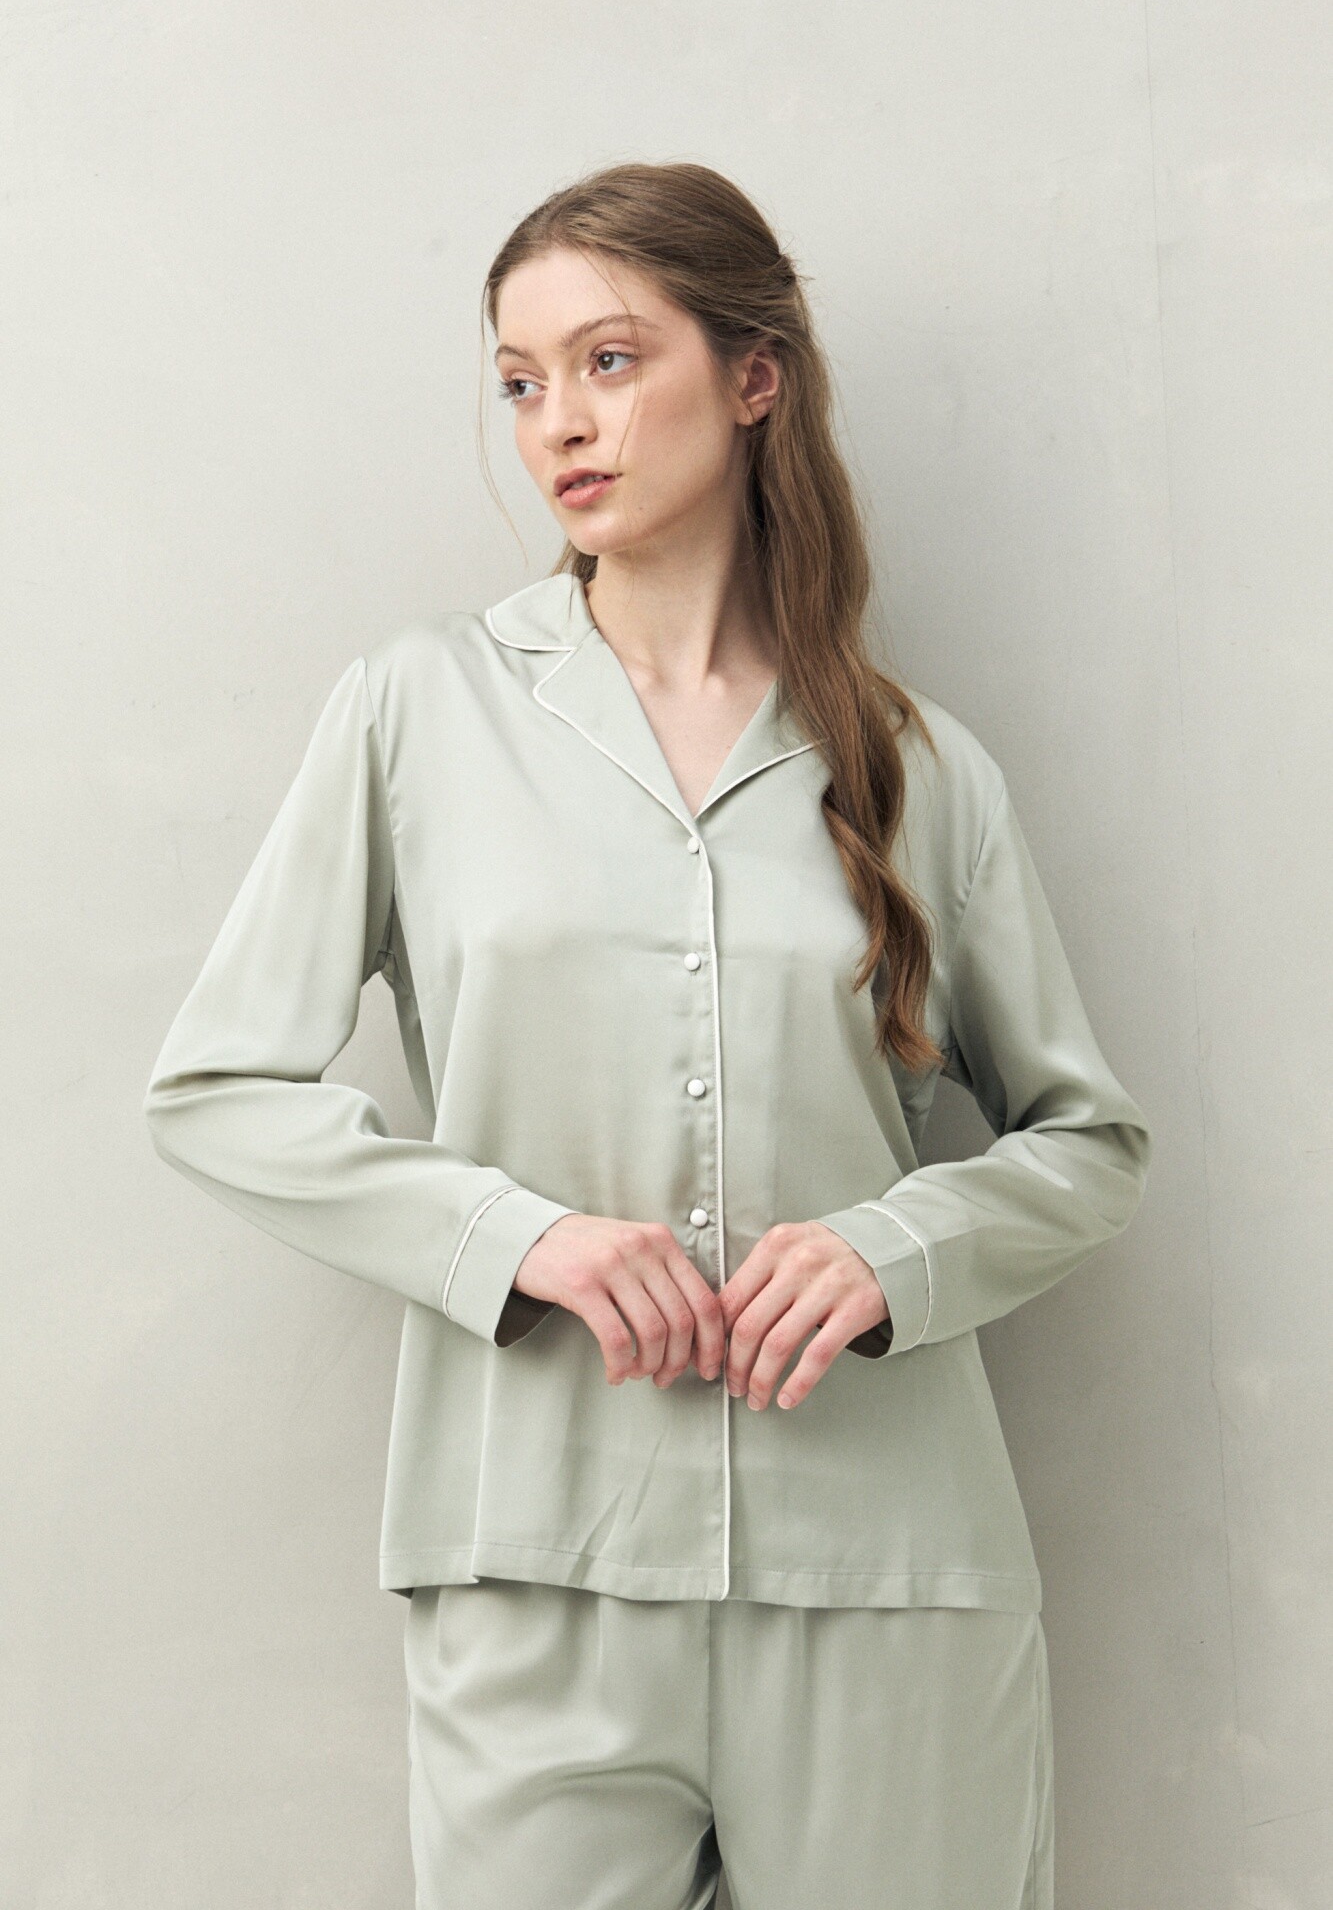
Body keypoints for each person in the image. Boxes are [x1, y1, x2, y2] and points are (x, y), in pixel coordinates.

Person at [143, 160, 1153, 1910]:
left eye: (609, 361)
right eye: (520, 380)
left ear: (753, 376)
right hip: (534, 1560)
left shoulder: (918, 766)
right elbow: (217, 1089)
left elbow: (1089, 1143)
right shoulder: (418, 711)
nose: (558, 421)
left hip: (885, 1576)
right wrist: (510, 1235)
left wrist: (896, 1246)